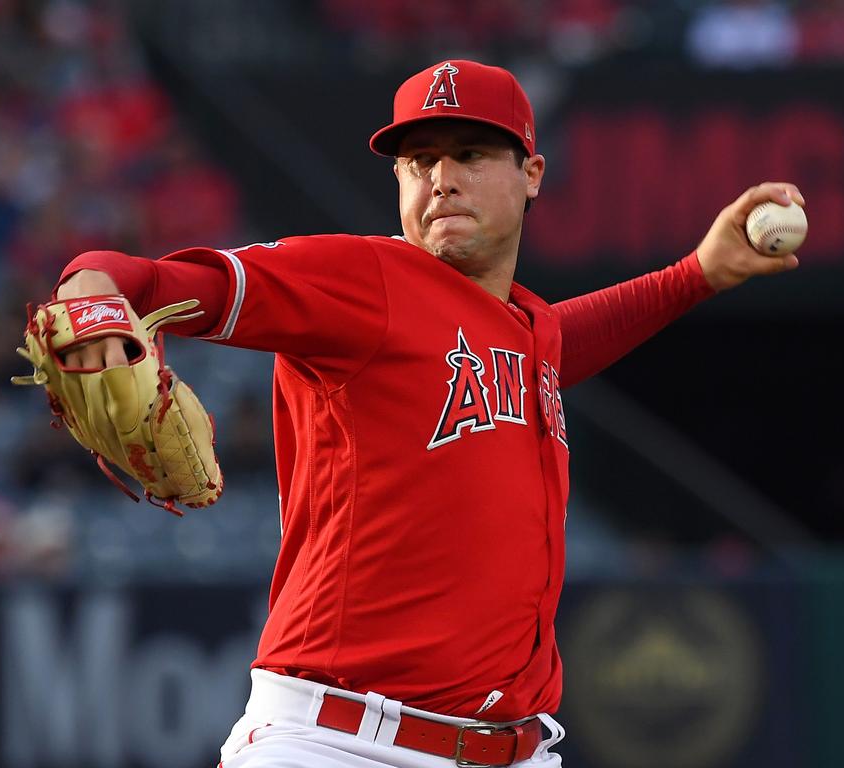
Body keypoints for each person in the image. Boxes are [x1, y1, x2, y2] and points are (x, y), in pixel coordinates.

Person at [51, 60, 802, 768]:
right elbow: (157, 280)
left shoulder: (525, 328)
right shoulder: (361, 281)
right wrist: (88, 291)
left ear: (531, 175)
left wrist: (695, 275)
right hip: (339, 741)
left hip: (517, 747)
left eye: (470, 154)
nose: (442, 179)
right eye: (420, 161)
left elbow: (558, 346)